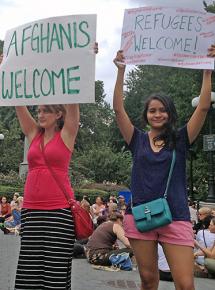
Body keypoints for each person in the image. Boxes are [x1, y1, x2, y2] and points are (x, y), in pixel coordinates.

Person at [113, 46, 215, 290]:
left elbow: (202, 107)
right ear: (146, 114)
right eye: (152, 110)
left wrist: (207, 70)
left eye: (162, 110)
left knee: (185, 284)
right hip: (140, 217)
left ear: (170, 113)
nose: (157, 114)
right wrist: (120, 72)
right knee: (148, 281)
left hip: (175, 215)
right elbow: (118, 109)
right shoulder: (136, 139)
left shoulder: (181, 139)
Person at [0, 43, 98, 289]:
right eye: (39, 110)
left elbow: (74, 100)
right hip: (32, 211)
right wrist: (6, 69)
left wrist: (83, 59)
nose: (40, 114)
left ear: (59, 115)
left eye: (45, 111)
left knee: (54, 272)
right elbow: (18, 102)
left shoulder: (66, 134)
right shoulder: (33, 134)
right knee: (29, 271)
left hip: (58, 212)